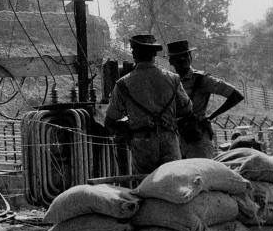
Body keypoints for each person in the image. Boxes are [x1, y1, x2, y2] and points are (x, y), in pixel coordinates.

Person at [105, 34, 193, 174]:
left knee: (145, 186)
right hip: (170, 140)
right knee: (173, 183)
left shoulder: (123, 84)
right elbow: (187, 109)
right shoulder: (173, 79)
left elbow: (110, 121)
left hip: (142, 144)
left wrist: (128, 129)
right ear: (154, 54)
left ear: (134, 54)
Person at [166, 39, 245, 158]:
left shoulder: (201, 79)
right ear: (171, 61)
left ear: (190, 57)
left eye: (185, 56)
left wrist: (209, 117)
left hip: (197, 138)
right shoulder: (169, 81)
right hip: (175, 140)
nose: (183, 60)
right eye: (178, 57)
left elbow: (236, 95)